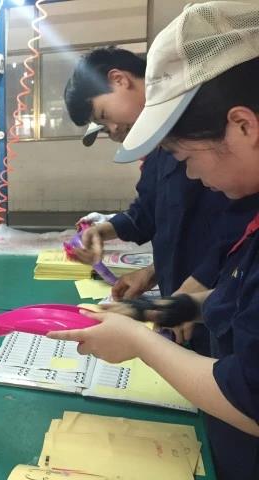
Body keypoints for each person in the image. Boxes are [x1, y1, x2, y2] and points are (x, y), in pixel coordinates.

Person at [50, 3, 259, 478]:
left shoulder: (239, 200)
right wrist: (149, 310)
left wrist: (139, 342)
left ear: (243, 125)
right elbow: (231, 295)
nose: (191, 175)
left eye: (186, 159)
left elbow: (248, 396)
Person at [64, 46, 251, 345]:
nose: (113, 130)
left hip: (219, 294)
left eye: (104, 116)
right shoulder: (159, 147)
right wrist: (150, 271)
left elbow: (238, 218)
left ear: (119, 79)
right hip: (188, 302)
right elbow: (151, 211)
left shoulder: (202, 127)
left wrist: (201, 279)